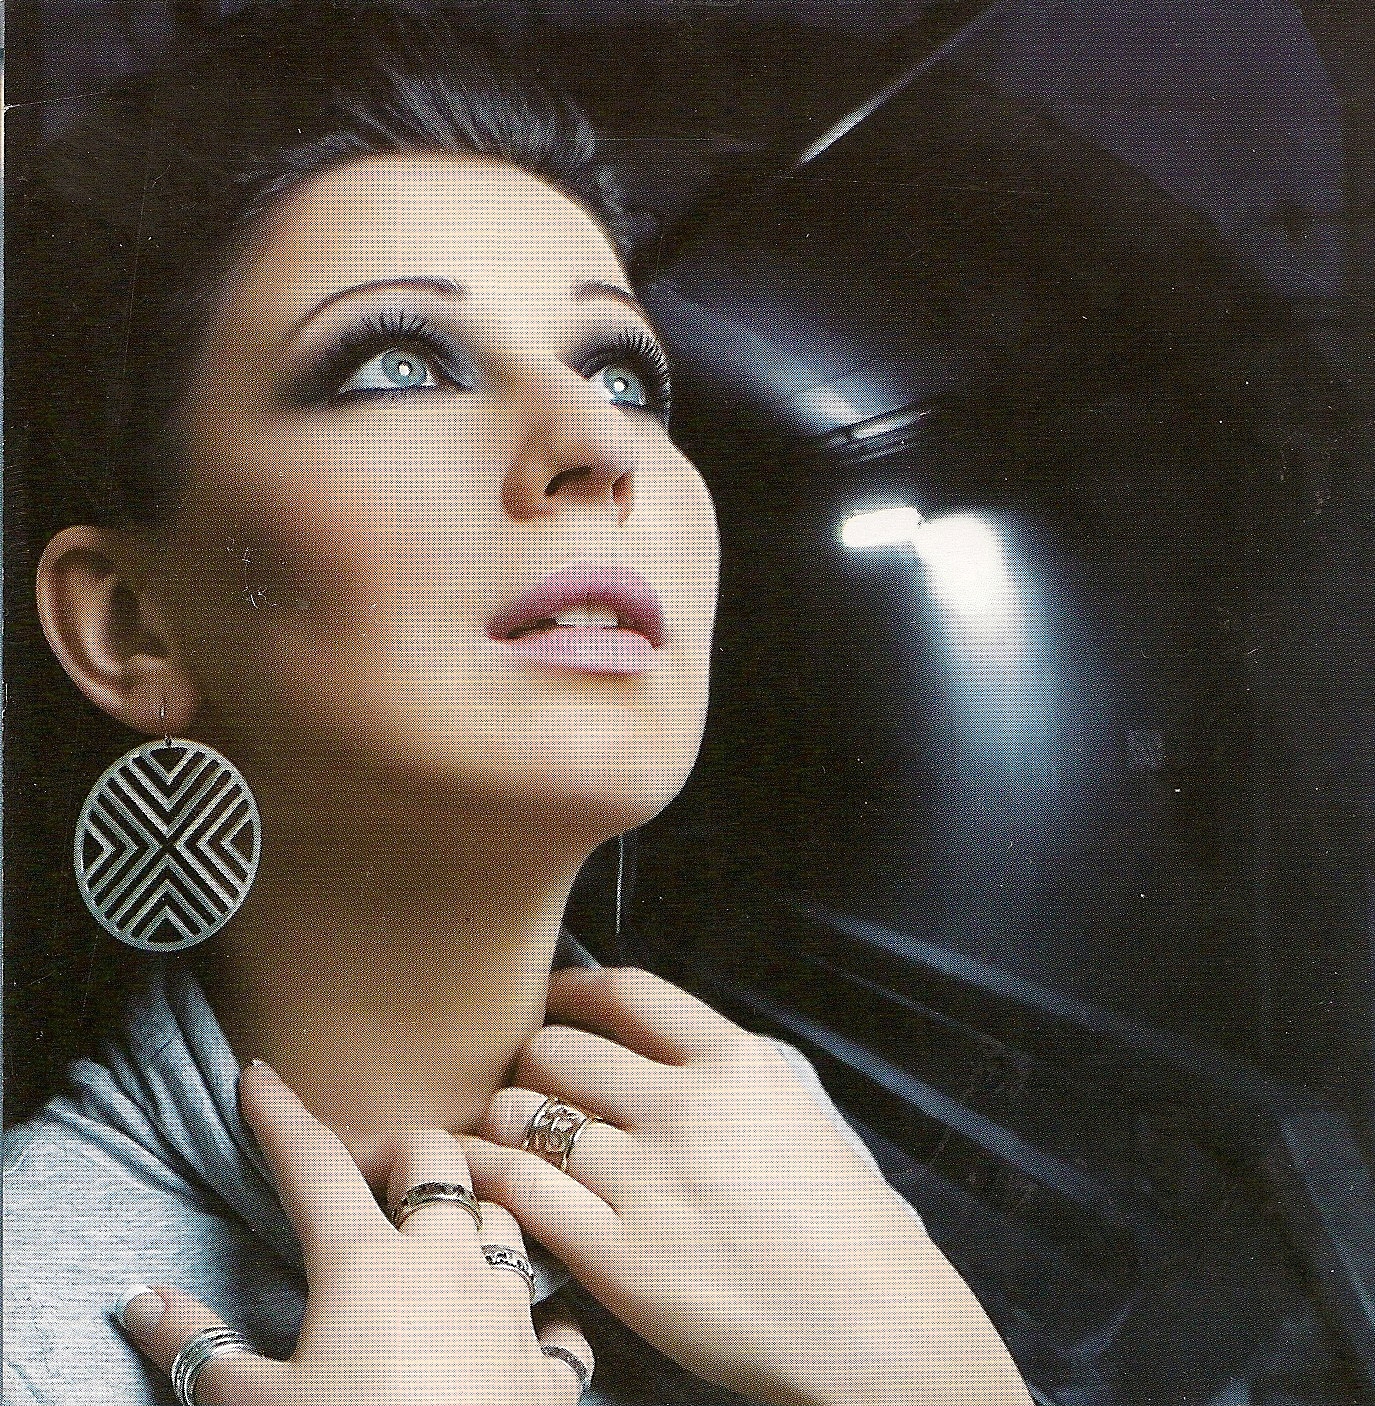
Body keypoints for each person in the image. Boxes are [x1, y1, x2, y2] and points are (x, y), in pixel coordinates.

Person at [4, 8, 1032, 1405]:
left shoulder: (824, 1227)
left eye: (625, 375)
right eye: (397, 365)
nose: (599, 440)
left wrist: (939, 1377)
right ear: (131, 623)